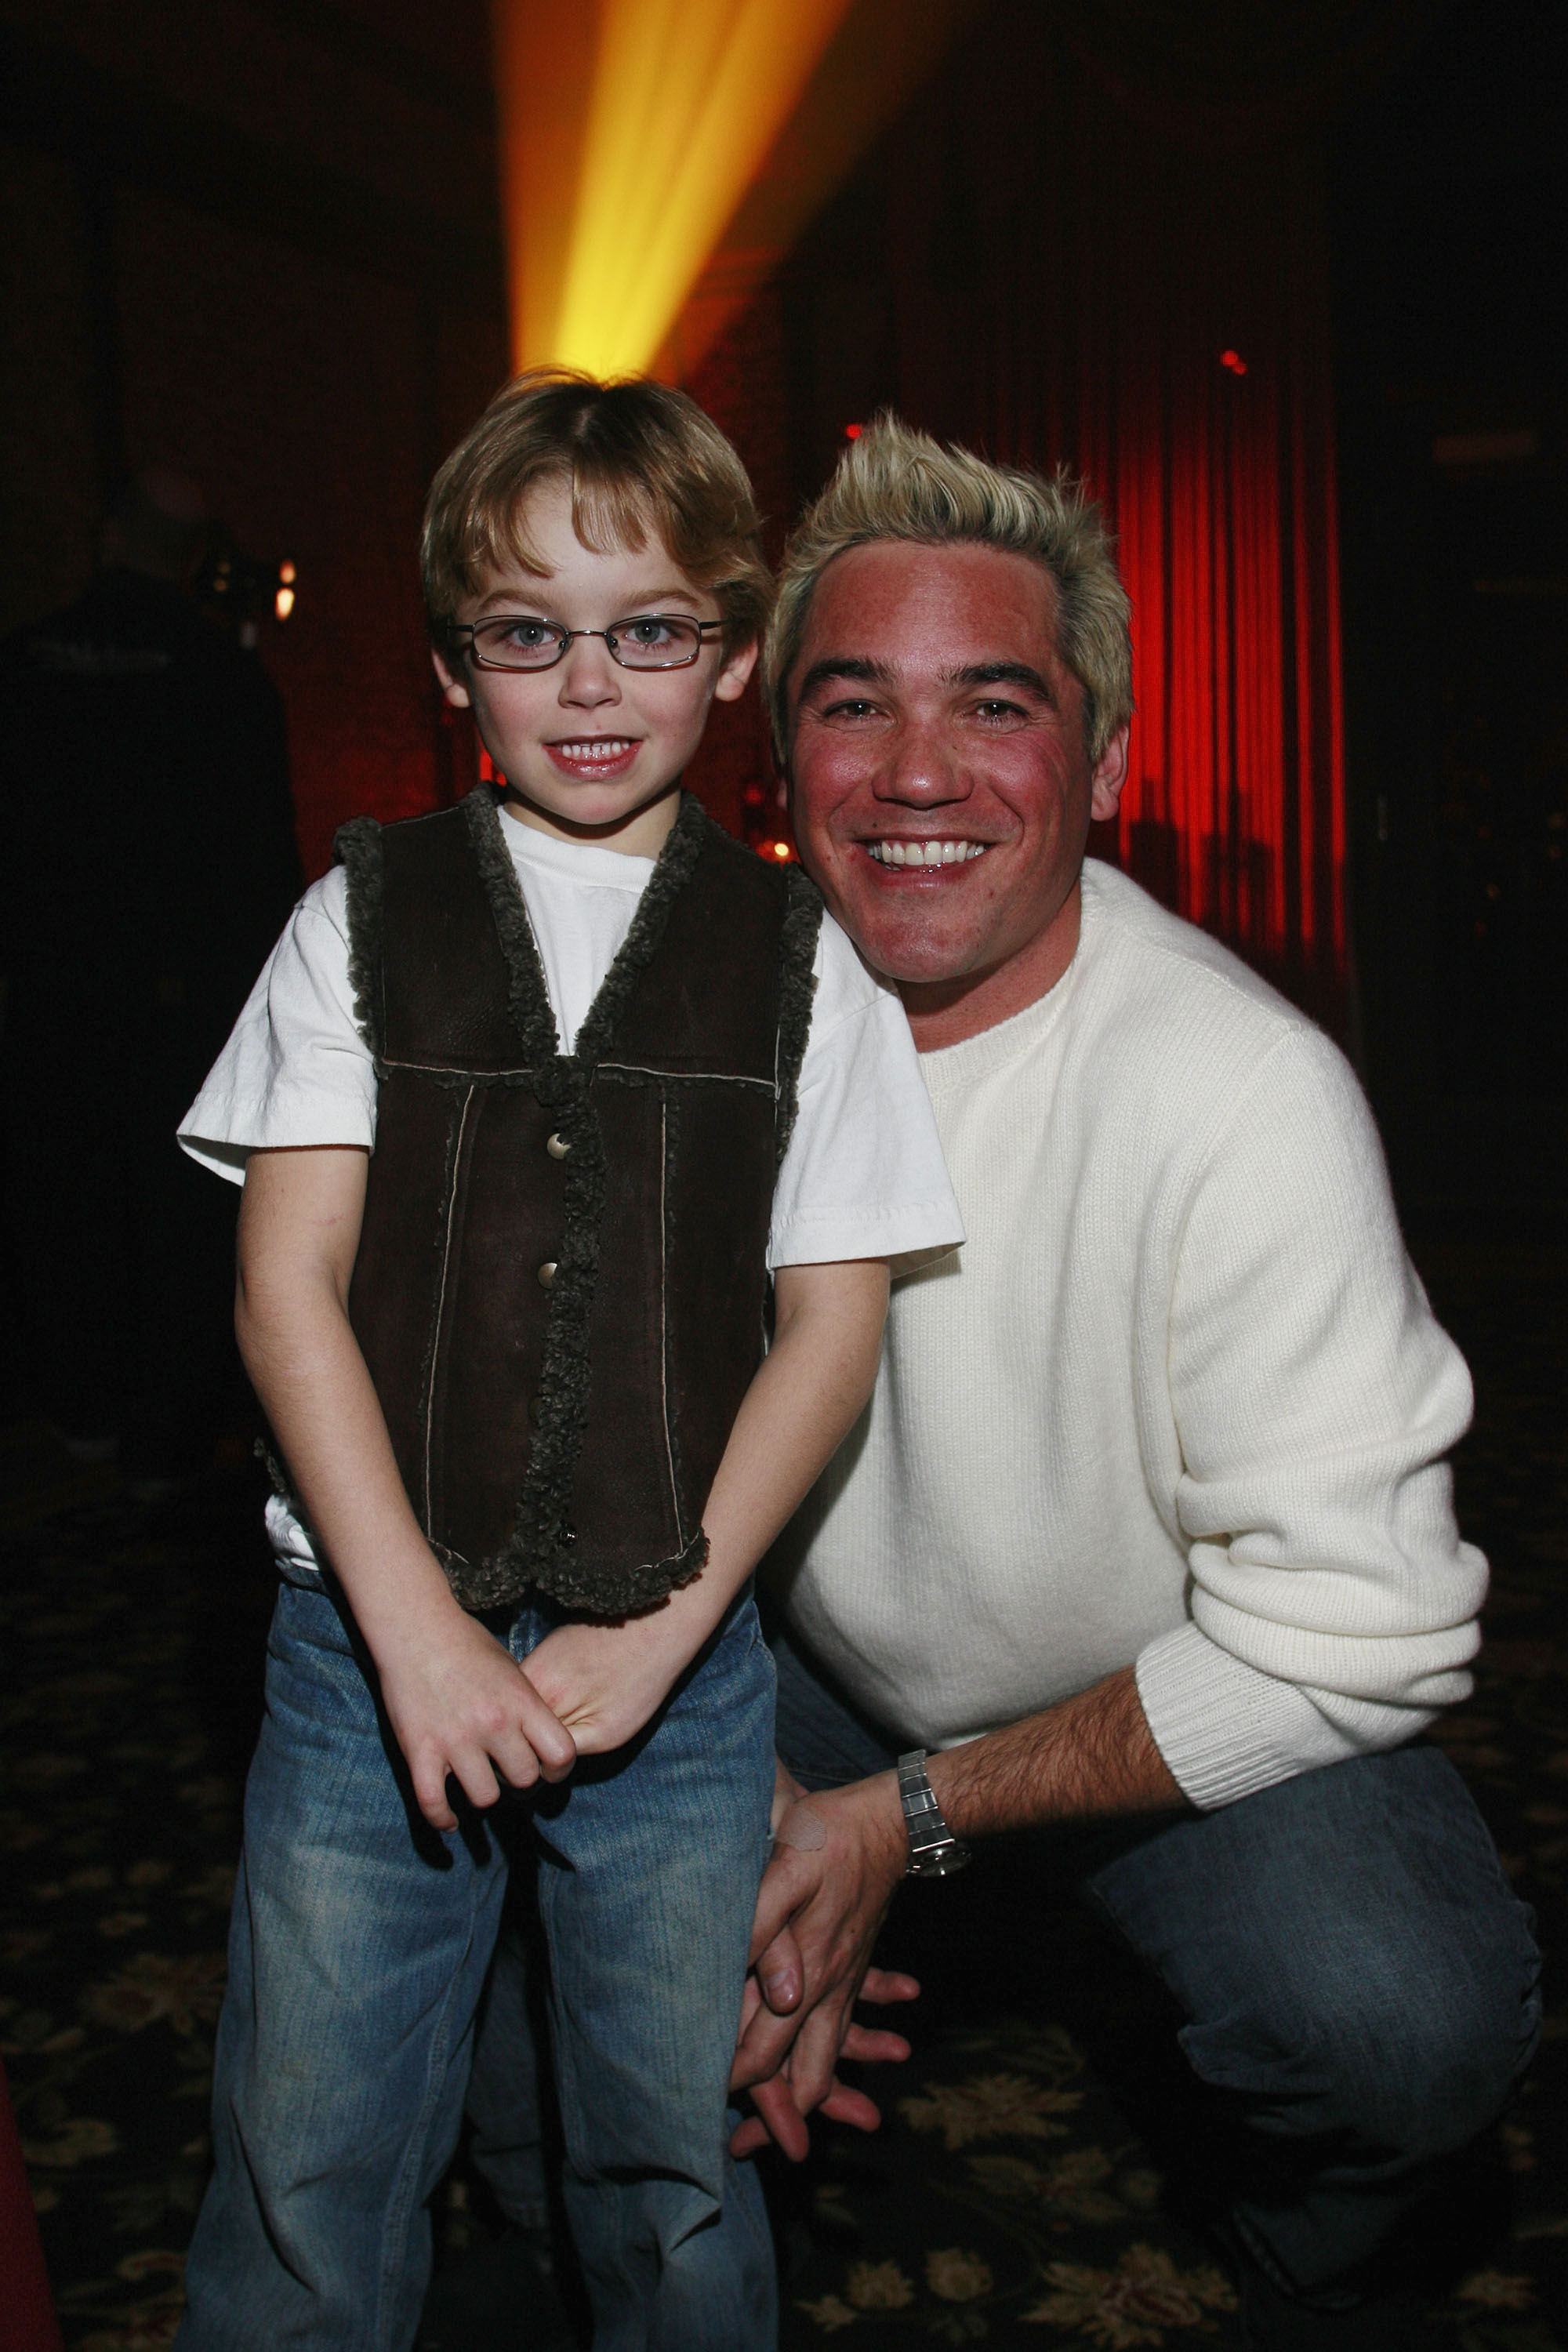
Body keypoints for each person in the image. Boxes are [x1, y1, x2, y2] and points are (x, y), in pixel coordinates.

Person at [728, 417, 1541, 2350]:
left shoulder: (1238, 1090)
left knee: (1399, 2026)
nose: (916, 774)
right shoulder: (705, 1035)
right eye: (854, 708)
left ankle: (1306, 2259)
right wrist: (713, 1803)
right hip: (807, 1663)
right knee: (531, 1896)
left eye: (990, 705)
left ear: (1099, 763)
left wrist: (893, 1825)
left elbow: (1362, 1635)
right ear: (781, 771)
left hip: (1166, 1680)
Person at [171, 373, 963, 2352]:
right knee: (310, 2158)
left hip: (676, 1684)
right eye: (528, 635)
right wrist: (419, 1637)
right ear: (456, 663)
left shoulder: (807, 968)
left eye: (649, 632)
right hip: (364, 1653)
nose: (588, 685)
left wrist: (667, 1630)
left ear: (735, 648)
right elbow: (289, 1295)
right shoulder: (359, 914)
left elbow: (830, 1333)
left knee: (667, 2168)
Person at [0, 469, 299, 1485]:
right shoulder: (219, 674)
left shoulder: (21, 667)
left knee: (61, 1202)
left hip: (45, 998)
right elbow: (262, 867)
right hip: (182, 1006)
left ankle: (83, 1406)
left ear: (105, 534)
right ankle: (163, 1435)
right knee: (177, 1217)